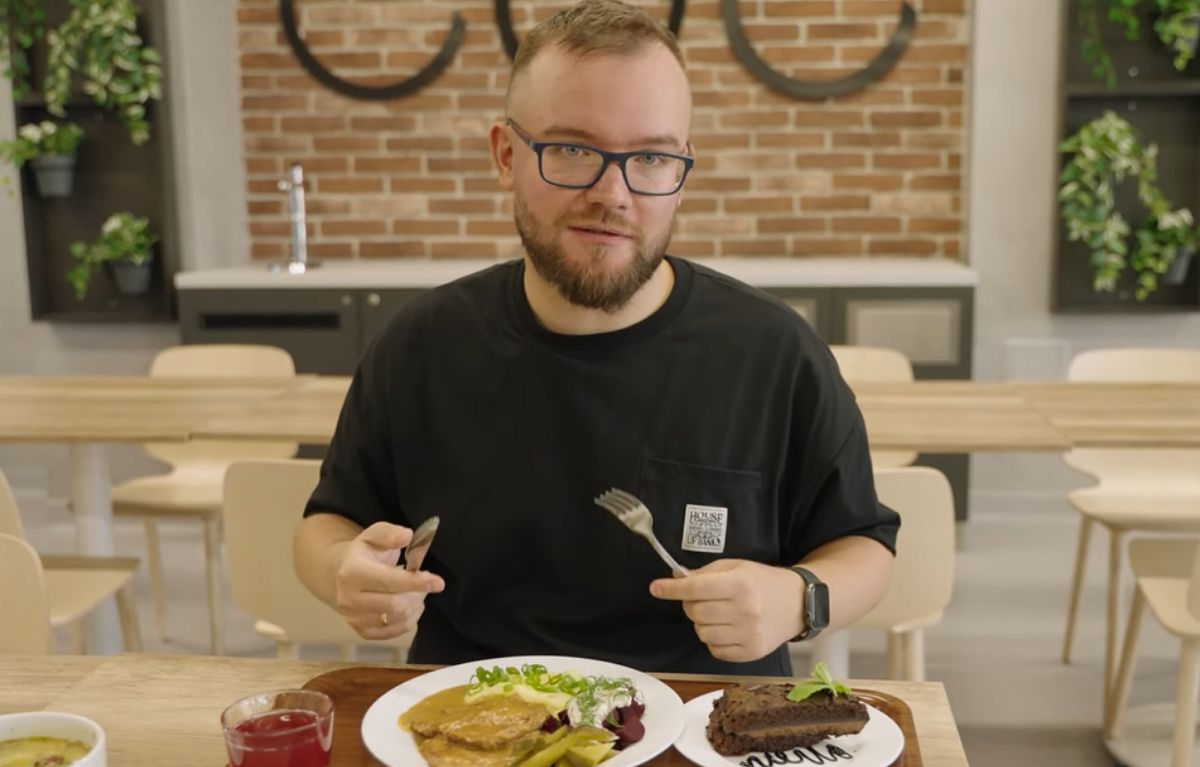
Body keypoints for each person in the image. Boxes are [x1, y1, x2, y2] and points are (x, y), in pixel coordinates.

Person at [294, 0, 899, 677]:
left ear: (680, 172)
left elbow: (864, 542)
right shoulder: (419, 346)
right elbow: (328, 523)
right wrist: (344, 570)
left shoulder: (774, 351)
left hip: (707, 733)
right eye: (573, 150)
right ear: (505, 155)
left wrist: (800, 598)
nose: (614, 192)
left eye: (651, 157)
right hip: (467, 727)